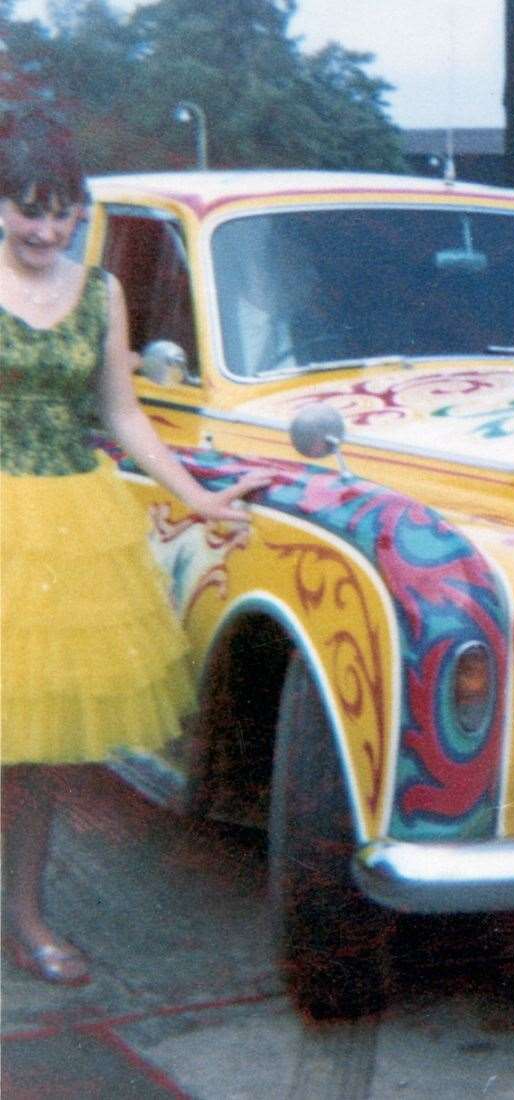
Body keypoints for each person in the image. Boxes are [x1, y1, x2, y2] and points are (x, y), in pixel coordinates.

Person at [0, 114, 269, 986]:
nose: (44, 231)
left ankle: (28, 917)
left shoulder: (102, 292)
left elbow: (123, 415)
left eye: (62, 213)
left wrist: (197, 498)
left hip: (66, 524)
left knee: (41, 749)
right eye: (26, 210)